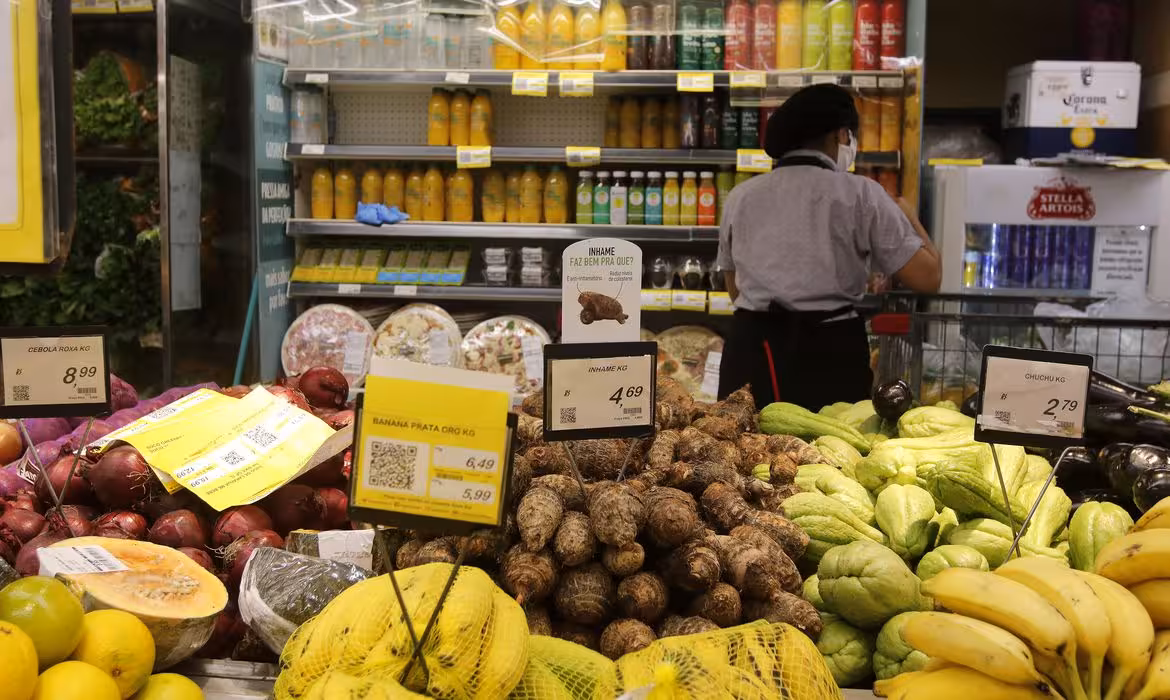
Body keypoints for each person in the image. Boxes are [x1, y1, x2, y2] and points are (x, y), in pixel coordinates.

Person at [715, 83, 940, 410]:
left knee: (744, 438)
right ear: (839, 135)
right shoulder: (861, 193)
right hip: (830, 351)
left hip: (753, 349)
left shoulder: (741, 196)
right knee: (834, 440)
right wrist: (910, 216)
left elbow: (734, 286)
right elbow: (928, 278)